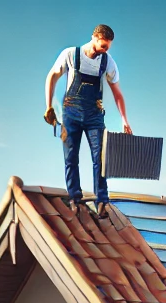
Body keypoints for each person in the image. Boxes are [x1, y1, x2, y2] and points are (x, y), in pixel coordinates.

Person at [44, 25, 132, 217]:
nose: (105, 50)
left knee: (100, 157)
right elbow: (52, 77)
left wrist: (124, 119)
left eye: (107, 47)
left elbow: (118, 94)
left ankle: (102, 201)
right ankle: (74, 198)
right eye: (103, 45)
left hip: (94, 115)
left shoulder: (108, 63)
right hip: (71, 113)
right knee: (70, 157)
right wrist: (48, 106)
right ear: (94, 37)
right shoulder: (70, 54)